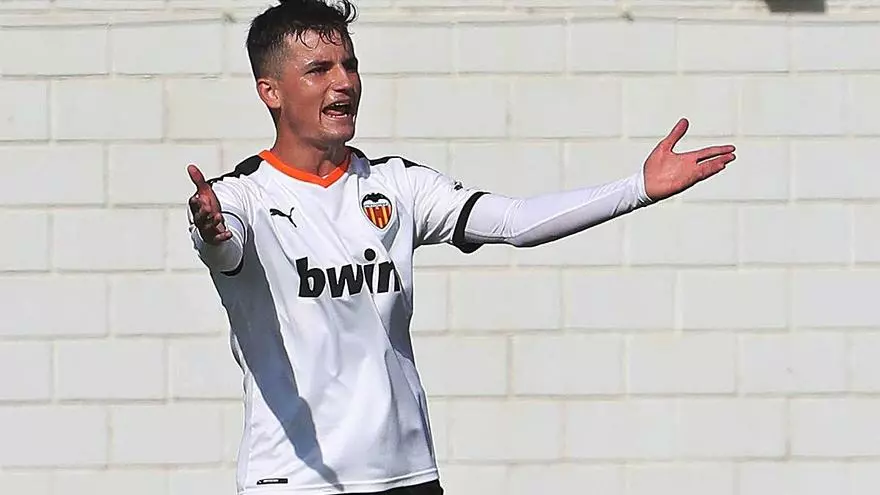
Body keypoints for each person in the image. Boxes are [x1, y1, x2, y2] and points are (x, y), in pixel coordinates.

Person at [185, 0, 736, 494]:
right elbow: (224, 247)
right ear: (271, 91)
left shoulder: (397, 184)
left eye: (350, 65)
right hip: (294, 481)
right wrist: (213, 232)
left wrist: (638, 188)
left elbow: (516, 221)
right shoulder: (240, 197)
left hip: (407, 474)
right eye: (319, 69)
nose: (344, 82)